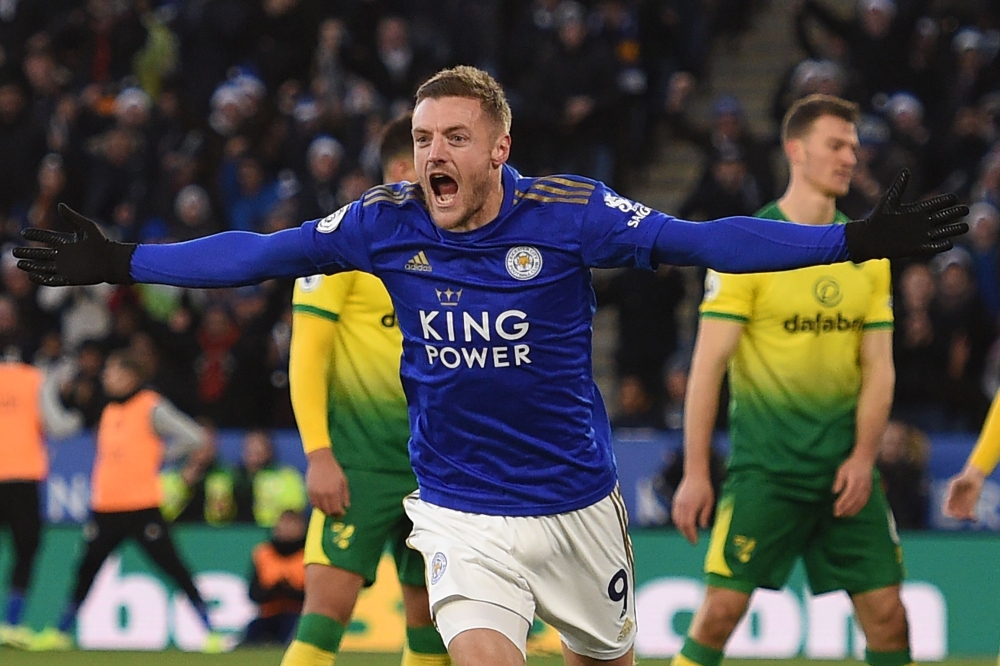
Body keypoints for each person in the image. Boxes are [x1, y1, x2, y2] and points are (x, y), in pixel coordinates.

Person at [14, 66, 968, 666]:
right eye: (423, 137)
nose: (432, 153)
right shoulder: (383, 221)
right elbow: (262, 254)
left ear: (499, 149)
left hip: (576, 506)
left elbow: (703, 238)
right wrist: (126, 261)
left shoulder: (568, 211)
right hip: (461, 510)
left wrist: (849, 243)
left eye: (454, 138)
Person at [670, 94, 915, 666]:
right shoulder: (748, 246)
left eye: (854, 147)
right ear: (795, 149)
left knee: (889, 618)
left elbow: (879, 367)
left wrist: (862, 456)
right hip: (766, 473)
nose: (850, 157)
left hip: (845, 475)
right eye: (837, 145)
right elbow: (707, 366)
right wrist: (696, 472)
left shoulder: (870, 254)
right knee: (720, 614)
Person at [281, 113, 450, 666]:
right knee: (323, 622)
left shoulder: (454, 244)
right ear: (406, 168)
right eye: (436, 159)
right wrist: (319, 455)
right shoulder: (341, 243)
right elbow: (306, 358)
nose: (447, 171)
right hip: (358, 466)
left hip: (442, 470)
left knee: (434, 629)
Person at [30, 350, 228, 653]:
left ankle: (211, 631)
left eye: (112, 371)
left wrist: (160, 456)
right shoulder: (108, 409)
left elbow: (194, 436)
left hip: (141, 506)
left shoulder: (150, 406)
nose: (106, 377)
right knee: (86, 570)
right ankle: (60, 632)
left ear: (129, 376)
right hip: (106, 507)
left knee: (174, 567)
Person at [0, 348, 82, 649]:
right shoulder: (35, 379)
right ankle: (10, 624)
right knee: (25, 550)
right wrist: (77, 415)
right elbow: (58, 425)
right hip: (21, 476)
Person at [243, 509, 307, 646]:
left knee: (291, 632)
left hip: (297, 615)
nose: (286, 529)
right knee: (251, 635)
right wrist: (272, 591)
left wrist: (289, 591)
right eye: (283, 524)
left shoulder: (307, 555)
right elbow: (253, 593)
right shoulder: (263, 553)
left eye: (292, 525)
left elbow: (314, 596)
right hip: (268, 614)